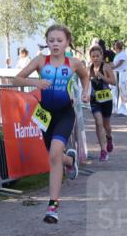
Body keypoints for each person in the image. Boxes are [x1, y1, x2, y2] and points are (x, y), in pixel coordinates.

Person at [13, 24, 90, 224]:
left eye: (59, 40)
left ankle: (52, 207)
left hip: (65, 113)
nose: (55, 44)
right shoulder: (40, 61)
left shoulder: (74, 63)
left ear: (67, 42)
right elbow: (17, 79)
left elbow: (85, 77)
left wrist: (85, 91)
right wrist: (35, 83)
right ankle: (70, 161)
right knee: (54, 155)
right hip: (45, 114)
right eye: (51, 40)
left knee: (54, 153)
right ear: (47, 42)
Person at [87, 45, 117, 162]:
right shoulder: (89, 69)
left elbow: (114, 82)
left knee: (106, 126)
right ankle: (103, 150)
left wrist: (102, 77)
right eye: (93, 56)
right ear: (90, 57)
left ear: (102, 56)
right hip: (95, 100)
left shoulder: (106, 67)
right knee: (98, 123)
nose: (95, 58)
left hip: (106, 100)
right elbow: (85, 82)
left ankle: (109, 137)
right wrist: (85, 93)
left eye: (97, 56)